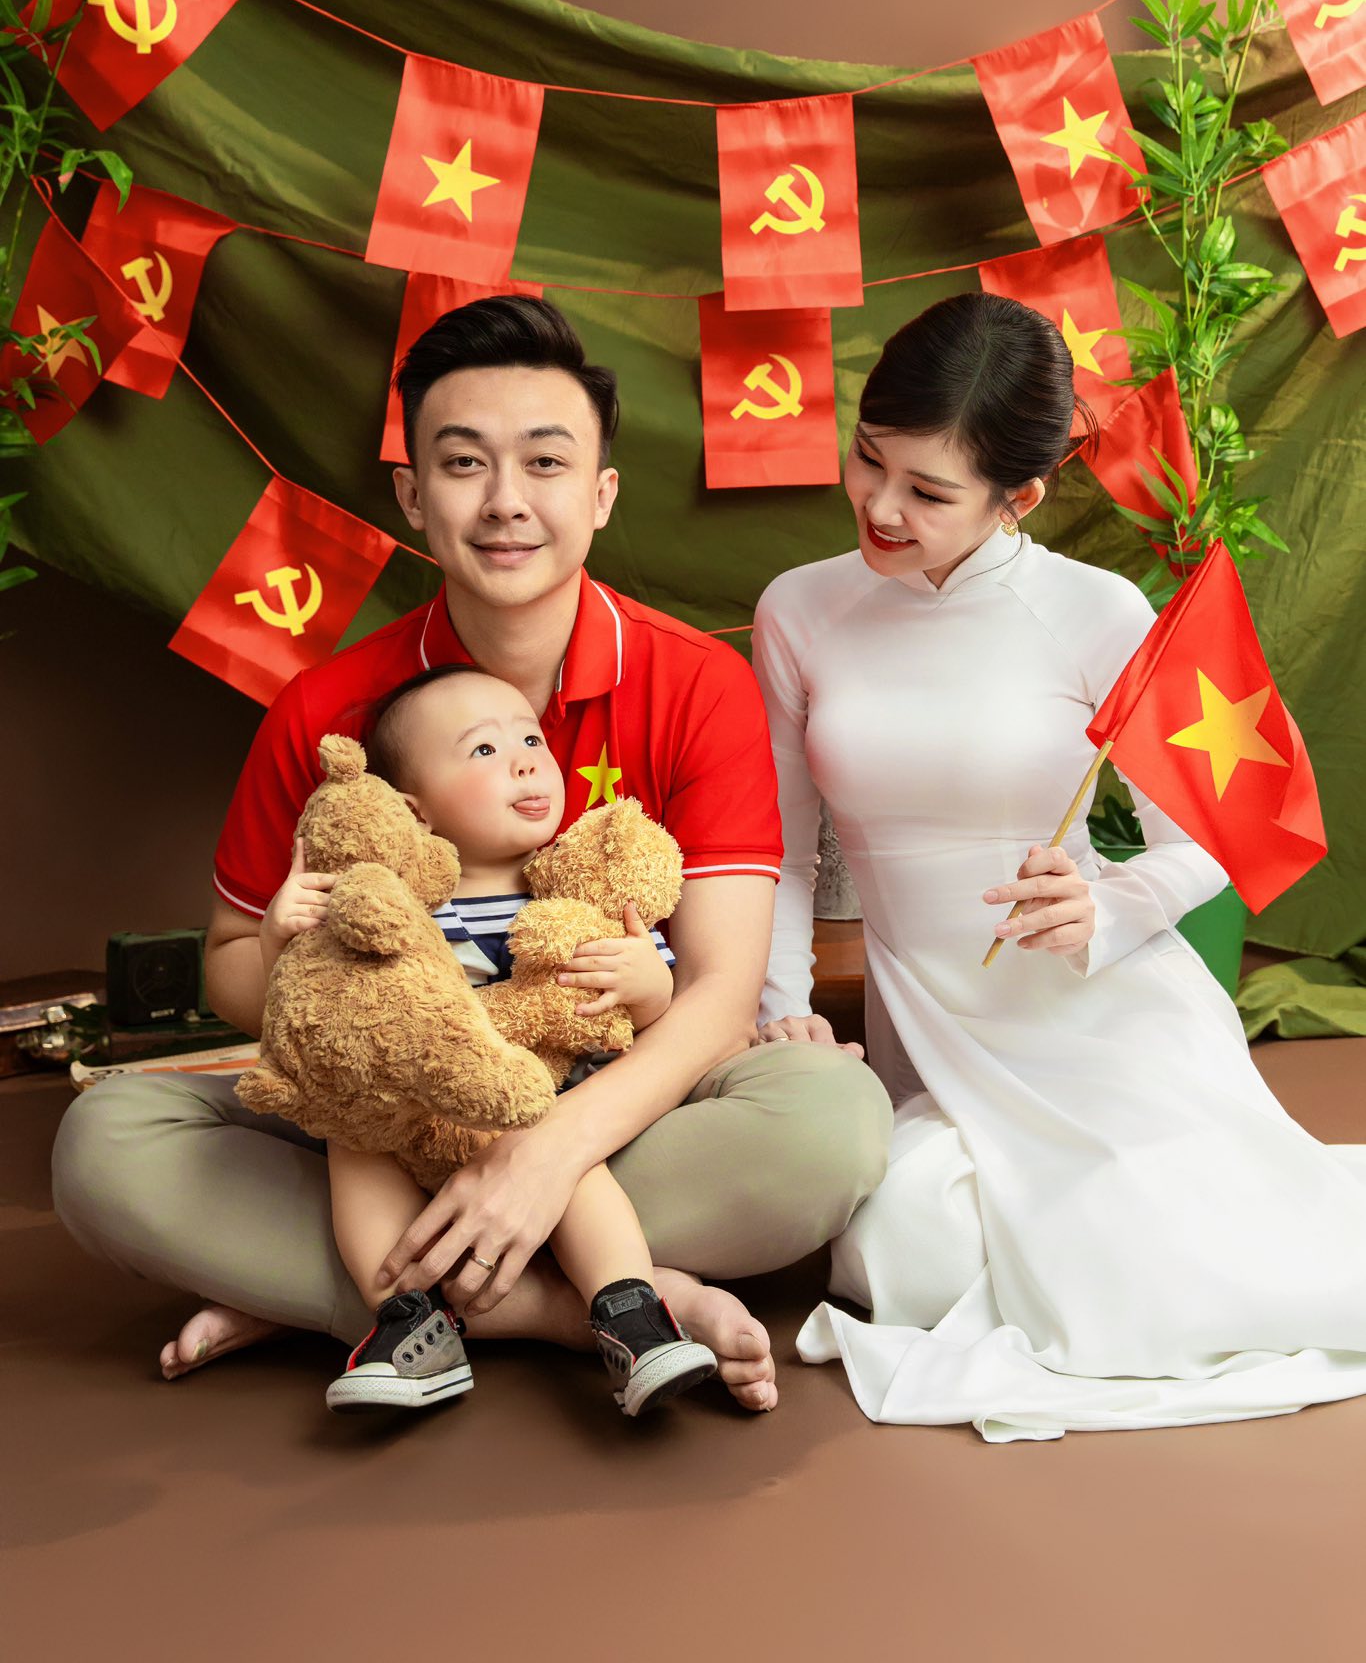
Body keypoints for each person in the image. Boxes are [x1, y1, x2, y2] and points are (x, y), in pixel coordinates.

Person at [53, 296, 891, 1414]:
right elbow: (233, 967)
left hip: (603, 1101)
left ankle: (362, 1300)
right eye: (463, 463)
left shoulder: (698, 684)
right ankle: (596, 1307)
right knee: (105, 1143)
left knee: (833, 1124)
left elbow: (718, 994)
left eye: (544, 462)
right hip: (385, 1123)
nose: (505, 501)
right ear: (412, 495)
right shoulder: (326, 711)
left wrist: (541, 1157)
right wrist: (314, 957)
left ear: (600, 493)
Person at [751, 289, 1366, 1442]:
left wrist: (1107, 904)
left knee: (1163, 1276)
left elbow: (1203, 838)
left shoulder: (1094, 611)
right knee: (905, 1250)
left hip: (1101, 1022)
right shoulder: (799, 609)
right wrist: (780, 1008)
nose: (880, 505)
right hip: (932, 1033)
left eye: (928, 491)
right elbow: (779, 852)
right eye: (869, 457)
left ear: (1018, 496)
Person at [271, 661, 718, 1417]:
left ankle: (631, 1312)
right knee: (355, 1145)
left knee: (567, 1159)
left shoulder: (572, 894)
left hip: (533, 1107)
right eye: (484, 749)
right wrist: (278, 929)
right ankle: (408, 1320)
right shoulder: (388, 906)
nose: (525, 761)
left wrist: (646, 982)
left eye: (531, 740)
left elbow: (647, 1015)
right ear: (413, 811)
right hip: (416, 1111)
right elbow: (310, 1006)